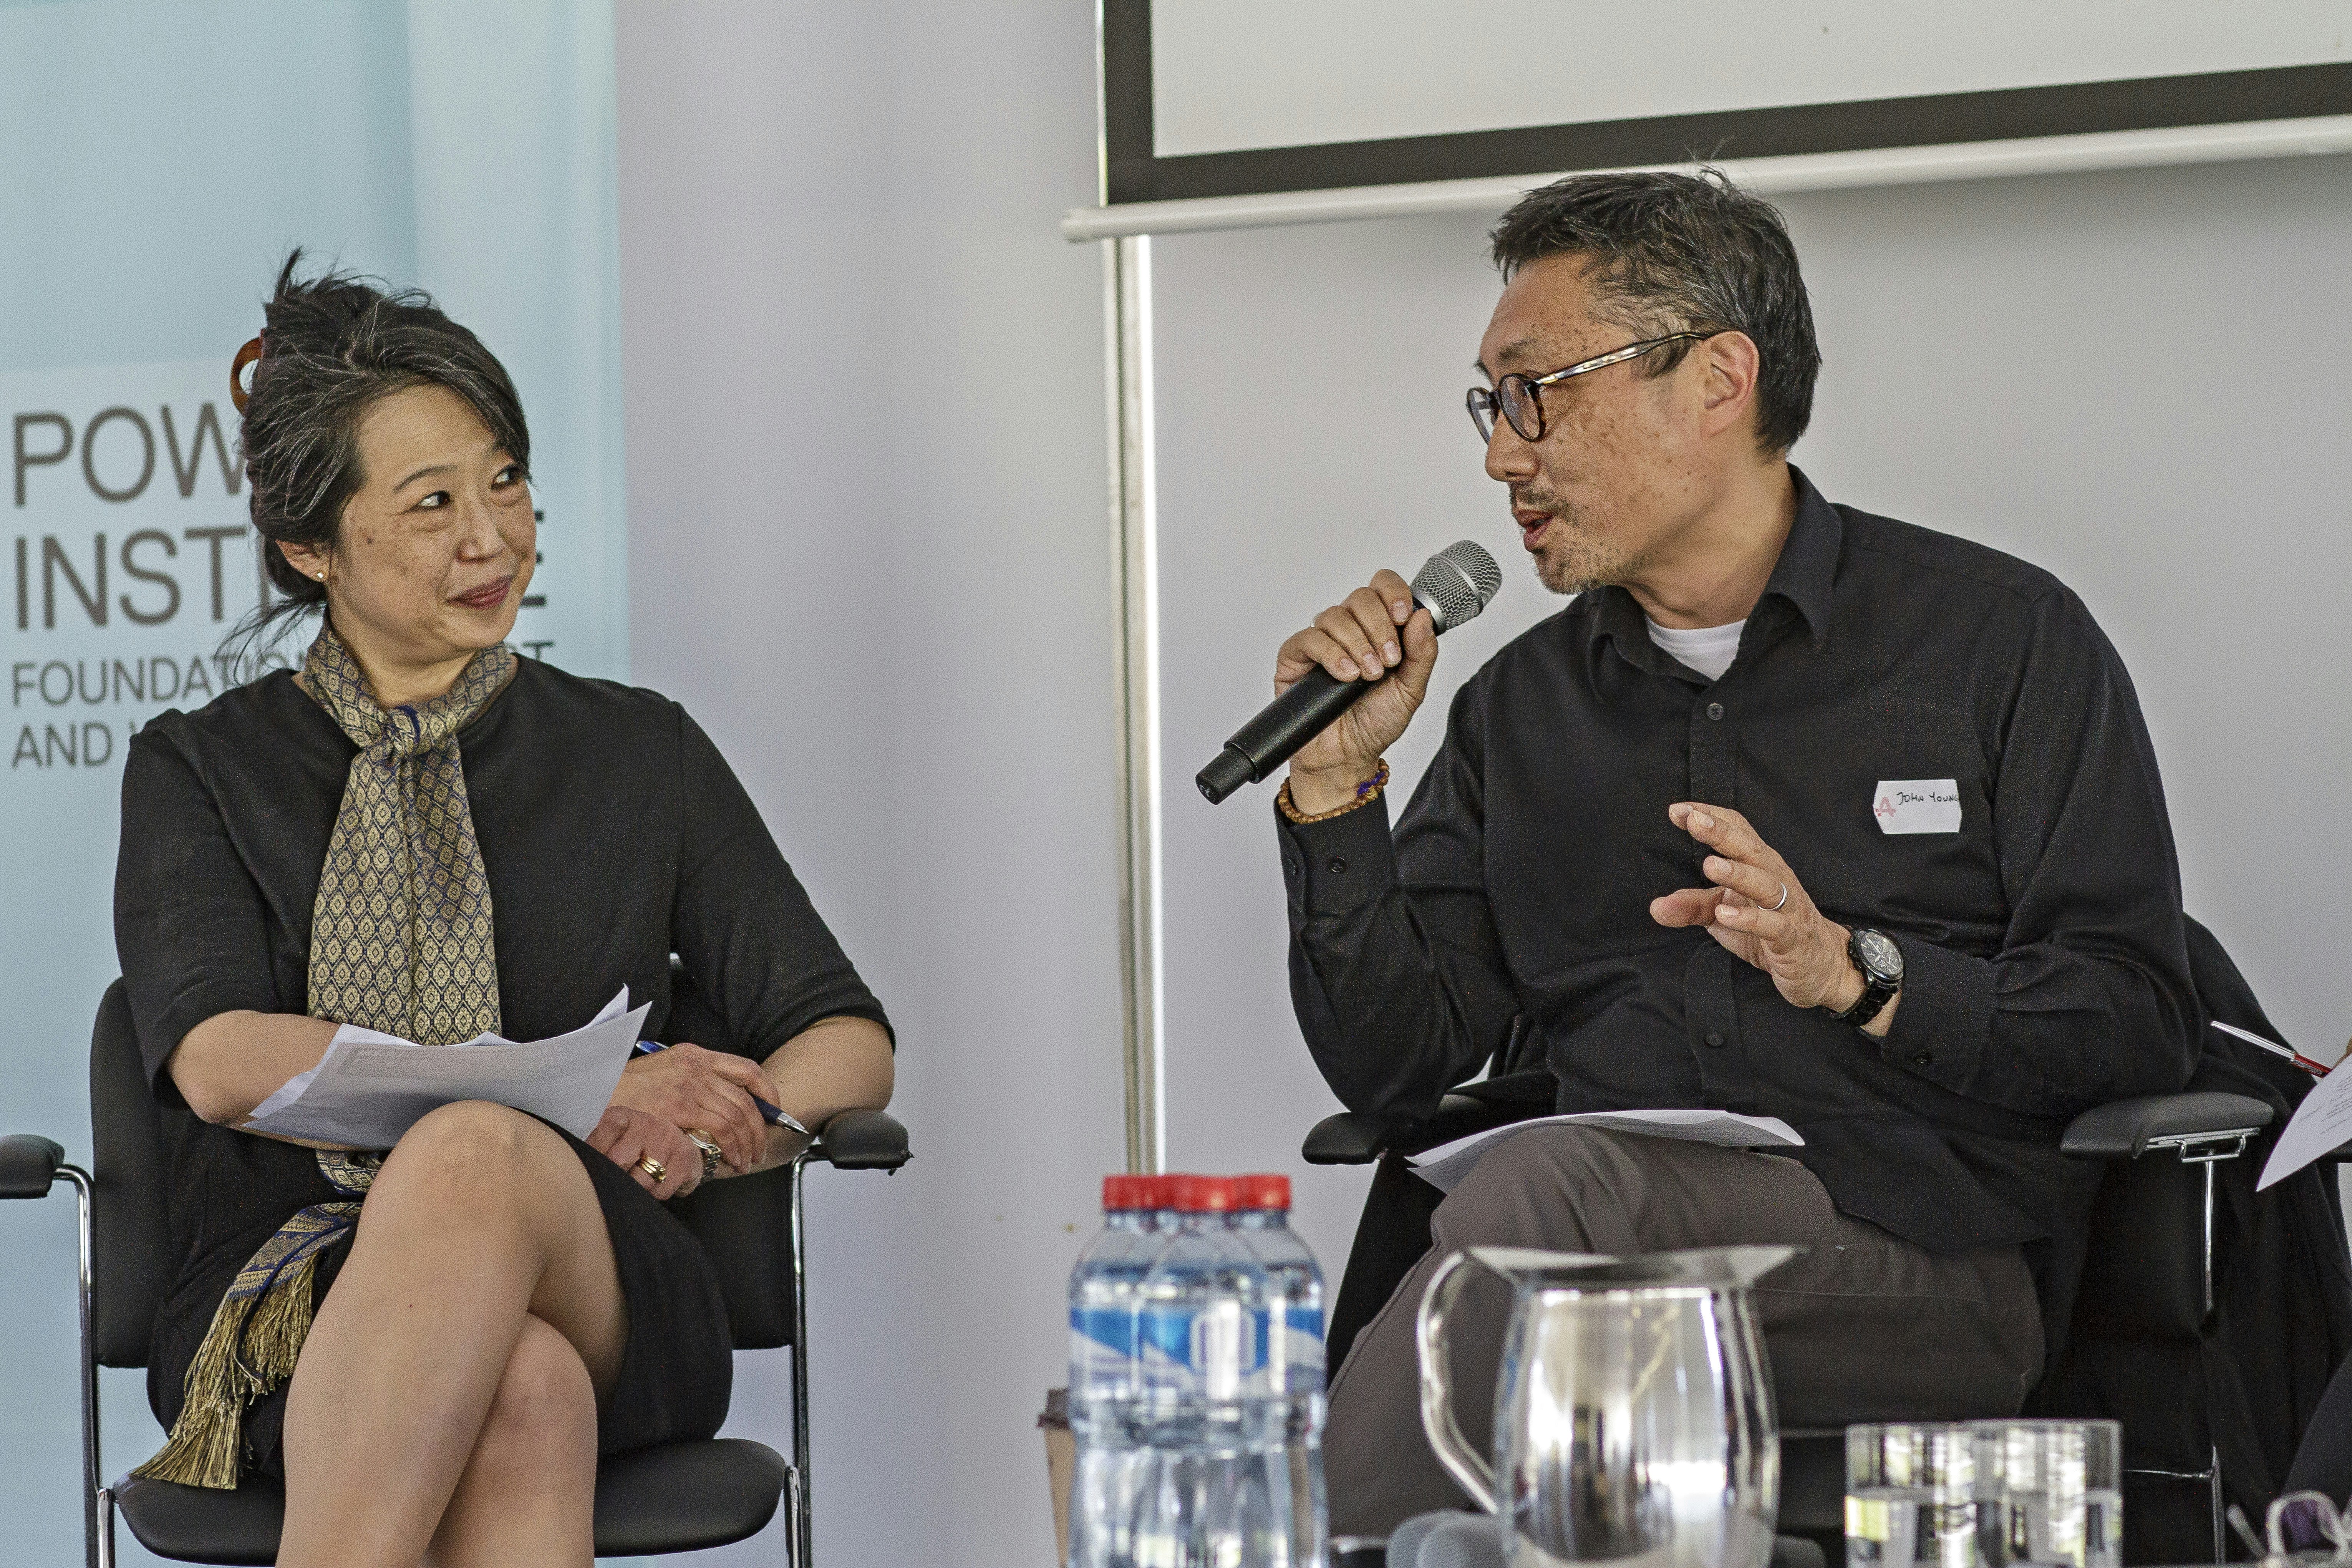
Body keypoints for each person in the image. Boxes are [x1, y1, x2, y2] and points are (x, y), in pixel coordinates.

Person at [1265, 171, 2199, 1534]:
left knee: (1549, 1190)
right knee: (1547, 1217)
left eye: (1539, 392)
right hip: (1579, 1263)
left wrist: (1858, 974)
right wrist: (1334, 789)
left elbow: (2136, 1016)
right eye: (1489, 402)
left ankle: (1307, 1544)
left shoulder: (1998, 643)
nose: (1500, 456)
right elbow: (1397, 1069)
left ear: (1716, 380)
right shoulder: (1516, 708)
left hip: (1920, 1270)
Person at [112, 254, 895, 1568]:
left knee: (476, 1162)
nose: (493, 538)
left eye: (507, 481)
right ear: (310, 548)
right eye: (431, 505)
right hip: (285, 1286)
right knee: (519, 1389)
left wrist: (715, 1133)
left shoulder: (640, 751)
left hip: (605, 1268)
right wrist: (573, 1092)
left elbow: (841, 1035)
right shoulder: (201, 765)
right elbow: (218, 1058)